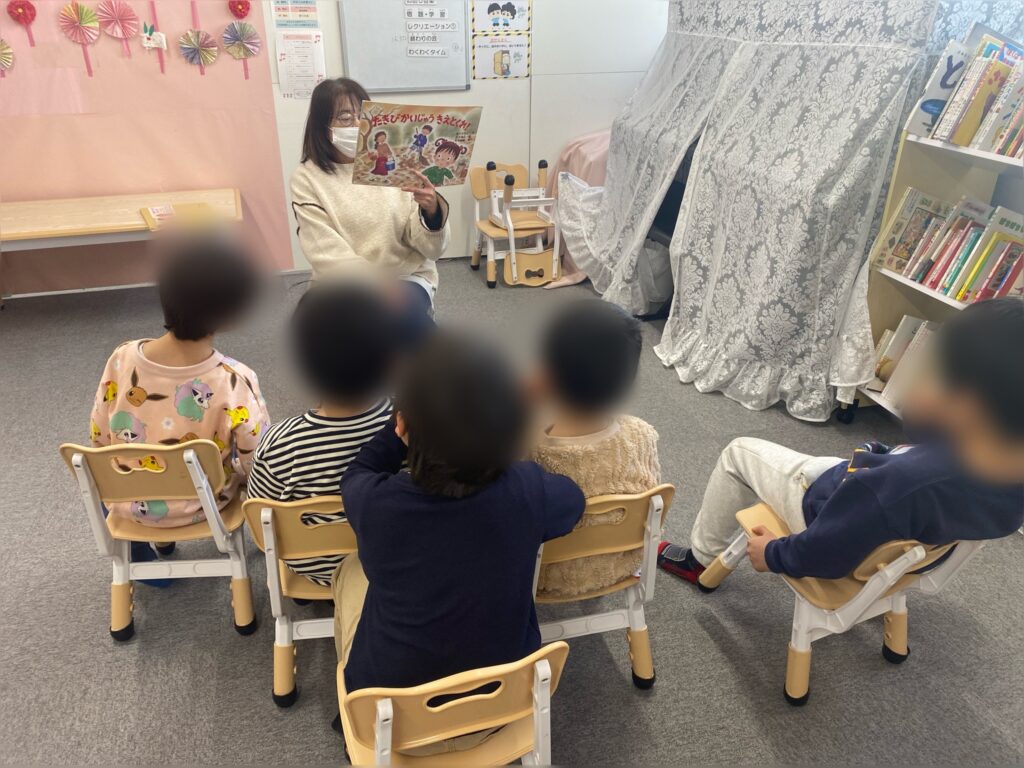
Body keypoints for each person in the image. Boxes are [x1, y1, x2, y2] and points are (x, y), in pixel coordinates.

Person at [333, 331, 585, 751]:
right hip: (504, 708)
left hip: (392, 723)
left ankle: (346, 716)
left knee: (350, 574)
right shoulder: (528, 489)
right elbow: (574, 499)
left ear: (403, 426)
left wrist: (400, 430)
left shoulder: (376, 504)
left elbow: (357, 471)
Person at [658, 298, 1024, 586]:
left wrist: (772, 554)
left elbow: (828, 550)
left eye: (939, 376)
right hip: (897, 530)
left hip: (830, 509)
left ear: (969, 405)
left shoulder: (900, 484)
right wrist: (925, 415)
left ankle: (700, 560)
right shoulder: (1000, 459)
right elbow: (923, 453)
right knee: (820, 463)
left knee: (738, 451)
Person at [89, 236, 270, 582]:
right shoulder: (234, 379)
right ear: (230, 315)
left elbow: (99, 434)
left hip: (128, 501)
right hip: (204, 505)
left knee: (107, 468)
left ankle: (142, 559)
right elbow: (256, 458)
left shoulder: (121, 358)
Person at [247, 283, 398, 587]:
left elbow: (260, 520)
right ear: (391, 362)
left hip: (313, 567)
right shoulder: (414, 423)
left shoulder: (278, 444)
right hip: (396, 561)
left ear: (304, 366)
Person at [530, 300, 660, 599]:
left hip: (544, 575)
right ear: (627, 380)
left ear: (548, 375)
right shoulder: (642, 435)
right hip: (619, 563)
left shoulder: (528, 444)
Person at [290, 77, 448, 317]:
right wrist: (377, 286)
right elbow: (326, 250)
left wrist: (432, 212)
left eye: (363, 116)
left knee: (400, 322)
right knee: (338, 327)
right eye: (345, 117)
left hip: (407, 276)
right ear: (323, 126)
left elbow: (431, 249)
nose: (357, 124)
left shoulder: (399, 165)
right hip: (342, 283)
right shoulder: (308, 178)